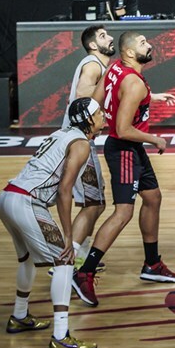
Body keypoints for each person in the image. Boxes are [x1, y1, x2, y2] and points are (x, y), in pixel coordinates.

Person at [72, 31, 175, 307]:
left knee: (153, 198)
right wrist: (154, 138)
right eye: (144, 43)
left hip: (128, 148)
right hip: (124, 149)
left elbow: (97, 99)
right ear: (130, 52)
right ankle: (85, 272)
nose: (150, 44)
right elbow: (122, 129)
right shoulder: (133, 83)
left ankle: (152, 264)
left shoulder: (115, 68)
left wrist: (150, 98)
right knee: (123, 212)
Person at [0, 97, 103, 348]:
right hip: (27, 202)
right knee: (65, 261)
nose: (104, 116)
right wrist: (68, 236)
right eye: (99, 113)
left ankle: (20, 316)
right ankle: (61, 336)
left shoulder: (62, 133)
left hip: (6, 197)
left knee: (27, 260)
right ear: (88, 120)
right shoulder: (80, 144)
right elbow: (64, 192)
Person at [59, 26, 115, 271]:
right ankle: (69, 257)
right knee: (95, 203)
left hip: (79, 139)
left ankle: (78, 255)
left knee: (96, 202)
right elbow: (83, 97)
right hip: (78, 141)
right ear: (93, 45)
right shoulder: (93, 64)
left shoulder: (100, 67)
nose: (110, 37)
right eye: (103, 36)